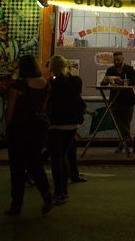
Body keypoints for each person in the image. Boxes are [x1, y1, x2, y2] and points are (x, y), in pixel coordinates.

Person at [4, 55, 53, 215]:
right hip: (38, 129)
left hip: (19, 129)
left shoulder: (19, 85)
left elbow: (10, 110)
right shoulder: (45, 84)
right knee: (34, 163)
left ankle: (16, 204)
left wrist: (7, 128)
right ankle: (46, 192)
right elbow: (44, 108)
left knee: (17, 167)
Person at [46, 55, 84, 205]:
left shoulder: (53, 84)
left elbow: (50, 103)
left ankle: (60, 191)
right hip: (72, 124)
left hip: (57, 124)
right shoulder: (76, 81)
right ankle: (63, 190)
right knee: (62, 155)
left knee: (57, 159)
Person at [101, 51, 135, 153]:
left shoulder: (129, 69)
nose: (116, 62)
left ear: (123, 59)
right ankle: (131, 140)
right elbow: (103, 84)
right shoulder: (110, 70)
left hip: (127, 100)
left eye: (118, 60)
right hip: (115, 100)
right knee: (115, 122)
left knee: (125, 123)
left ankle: (122, 146)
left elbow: (132, 83)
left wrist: (122, 82)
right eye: (115, 60)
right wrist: (105, 80)